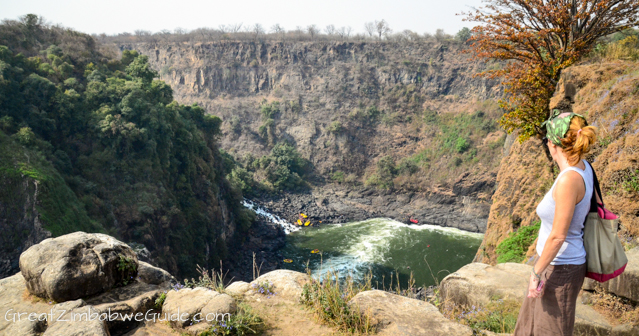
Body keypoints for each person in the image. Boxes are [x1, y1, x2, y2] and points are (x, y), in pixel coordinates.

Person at [514, 110, 598, 336]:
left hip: (560, 267)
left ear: (552, 144)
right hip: (557, 264)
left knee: (549, 330)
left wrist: (536, 272)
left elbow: (558, 236)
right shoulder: (583, 166)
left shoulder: (569, 180)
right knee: (530, 328)